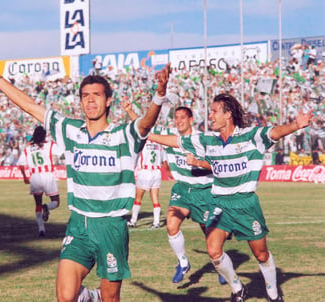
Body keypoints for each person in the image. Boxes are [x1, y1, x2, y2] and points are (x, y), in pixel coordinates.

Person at [0, 53, 170, 302]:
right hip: (79, 224)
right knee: (65, 297)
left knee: (111, 298)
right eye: (85, 96)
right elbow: (31, 106)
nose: (90, 100)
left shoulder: (123, 135)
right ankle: (91, 297)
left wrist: (159, 95)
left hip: (111, 226)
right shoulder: (70, 130)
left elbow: (146, 123)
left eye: (96, 95)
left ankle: (98, 297)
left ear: (108, 101)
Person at [151, 93, 312, 301]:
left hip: (245, 203)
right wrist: (143, 133)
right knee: (213, 250)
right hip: (220, 203)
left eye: (214, 111)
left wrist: (295, 125)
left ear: (228, 114)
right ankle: (238, 290)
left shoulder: (250, 136)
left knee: (261, 254)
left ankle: (273, 294)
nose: (210, 116)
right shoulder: (208, 140)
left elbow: (274, 132)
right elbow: (175, 140)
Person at [148, 107, 226, 285]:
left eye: (182, 118)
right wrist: (130, 111)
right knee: (171, 224)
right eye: (176, 118)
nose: (179, 121)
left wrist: (198, 162)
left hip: (204, 191)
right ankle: (183, 263)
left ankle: (220, 263)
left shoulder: (203, 139)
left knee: (210, 235)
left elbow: (218, 166)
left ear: (191, 120)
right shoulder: (170, 134)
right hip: (182, 190)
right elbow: (145, 127)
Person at [17, 125, 61, 237]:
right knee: (56, 201)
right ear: (44, 135)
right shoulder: (50, 145)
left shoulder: (27, 149)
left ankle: (41, 229)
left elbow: (21, 164)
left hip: (35, 176)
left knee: (37, 204)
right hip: (48, 175)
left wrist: (24, 177)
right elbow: (61, 153)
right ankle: (48, 207)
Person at [127, 138, 170, 229]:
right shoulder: (159, 145)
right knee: (155, 199)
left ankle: (133, 221)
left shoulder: (141, 144)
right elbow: (165, 162)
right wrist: (169, 172)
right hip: (156, 172)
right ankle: (156, 222)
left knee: (138, 198)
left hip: (145, 172)